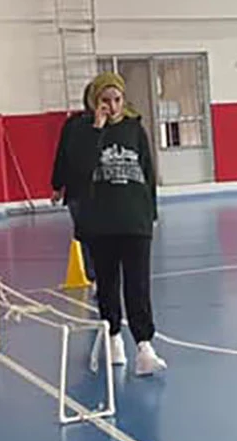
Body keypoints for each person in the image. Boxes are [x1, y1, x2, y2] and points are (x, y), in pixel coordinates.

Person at [53, 70, 166, 376]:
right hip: (100, 221)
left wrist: (150, 212)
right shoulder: (80, 129)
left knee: (138, 284)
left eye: (117, 100)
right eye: (105, 100)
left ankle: (144, 345)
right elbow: (77, 168)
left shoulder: (134, 128)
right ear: (94, 100)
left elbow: (147, 172)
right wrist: (97, 129)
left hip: (134, 219)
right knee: (107, 283)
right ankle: (113, 335)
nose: (112, 106)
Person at [50, 85, 98, 285]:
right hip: (78, 191)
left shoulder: (116, 126)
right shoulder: (73, 124)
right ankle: (94, 276)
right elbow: (63, 155)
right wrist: (57, 185)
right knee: (85, 233)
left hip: (105, 191)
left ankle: (105, 275)